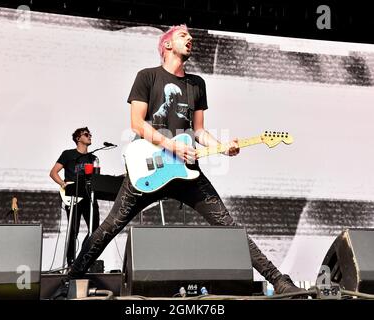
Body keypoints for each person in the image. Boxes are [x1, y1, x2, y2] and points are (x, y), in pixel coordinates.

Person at [52, 25, 306, 298]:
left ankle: (278, 280)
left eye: (190, 35)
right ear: (167, 45)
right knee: (110, 227)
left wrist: (222, 148)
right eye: (183, 35)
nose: (190, 38)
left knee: (229, 226)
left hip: (187, 173)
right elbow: (137, 123)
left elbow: (198, 131)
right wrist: (170, 144)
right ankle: (72, 276)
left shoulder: (197, 84)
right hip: (148, 169)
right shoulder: (147, 77)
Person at [49, 127, 100, 267]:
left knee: (95, 230)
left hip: (89, 196)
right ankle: (71, 261)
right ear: (78, 138)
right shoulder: (68, 154)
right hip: (73, 196)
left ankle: (84, 257)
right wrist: (63, 184)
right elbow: (53, 172)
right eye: (86, 134)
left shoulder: (93, 158)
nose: (90, 136)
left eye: (90, 134)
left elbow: (97, 179)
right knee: (73, 230)